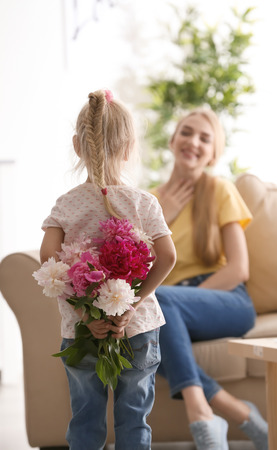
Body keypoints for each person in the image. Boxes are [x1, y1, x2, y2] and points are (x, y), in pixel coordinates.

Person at [39, 89, 176, 450]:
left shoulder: (66, 204)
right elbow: (168, 257)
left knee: (85, 416)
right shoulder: (144, 202)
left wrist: (86, 309)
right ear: (130, 148)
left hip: (83, 328)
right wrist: (131, 304)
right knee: (134, 417)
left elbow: (48, 260)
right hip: (137, 327)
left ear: (77, 145)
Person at [152, 108, 277, 450]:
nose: (193, 142)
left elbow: (238, 269)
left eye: (205, 138)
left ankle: (201, 414)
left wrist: (183, 302)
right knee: (140, 326)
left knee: (158, 304)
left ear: (213, 153)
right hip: (170, 302)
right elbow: (142, 272)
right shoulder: (150, 202)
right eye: (186, 132)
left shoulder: (220, 190)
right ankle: (236, 410)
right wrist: (162, 218)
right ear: (172, 141)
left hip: (226, 300)